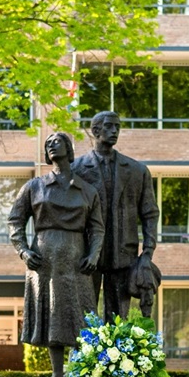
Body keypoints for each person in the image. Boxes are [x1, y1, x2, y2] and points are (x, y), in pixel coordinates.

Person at [8, 132, 104, 377]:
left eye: (57, 141)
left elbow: (97, 228)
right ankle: (58, 374)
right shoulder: (34, 187)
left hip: (76, 259)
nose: (51, 145)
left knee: (80, 314)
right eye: (48, 143)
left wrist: (93, 254)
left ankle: (80, 372)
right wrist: (23, 251)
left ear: (69, 149)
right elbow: (15, 221)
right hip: (45, 260)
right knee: (53, 315)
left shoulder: (87, 190)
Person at [72, 111, 159, 323]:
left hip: (123, 254)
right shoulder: (76, 169)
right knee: (84, 318)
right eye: (109, 126)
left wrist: (147, 252)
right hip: (87, 254)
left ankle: (118, 347)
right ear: (95, 131)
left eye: (117, 127)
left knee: (118, 319)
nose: (114, 131)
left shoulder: (137, 171)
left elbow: (150, 213)